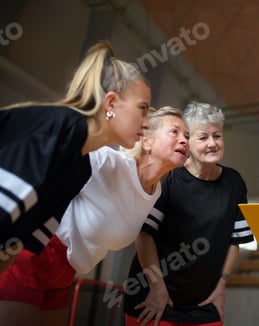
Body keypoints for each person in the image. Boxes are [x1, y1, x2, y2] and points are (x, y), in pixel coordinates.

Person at [0, 107, 189, 326]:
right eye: (175, 132)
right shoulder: (107, 161)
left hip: (66, 273)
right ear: (146, 142)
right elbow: (49, 158)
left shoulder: (155, 191)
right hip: (34, 255)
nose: (184, 140)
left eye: (187, 135)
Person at [0, 40, 151, 271]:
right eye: (143, 108)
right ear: (110, 102)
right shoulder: (57, 129)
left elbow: (15, 245)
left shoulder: (81, 167)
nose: (147, 122)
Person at [123, 101, 254, 326]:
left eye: (217, 136)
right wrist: (157, 289)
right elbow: (143, 236)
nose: (212, 143)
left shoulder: (234, 183)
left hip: (203, 303)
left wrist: (221, 286)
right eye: (203, 137)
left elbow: (235, 240)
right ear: (188, 143)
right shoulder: (170, 178)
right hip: (154, 295)